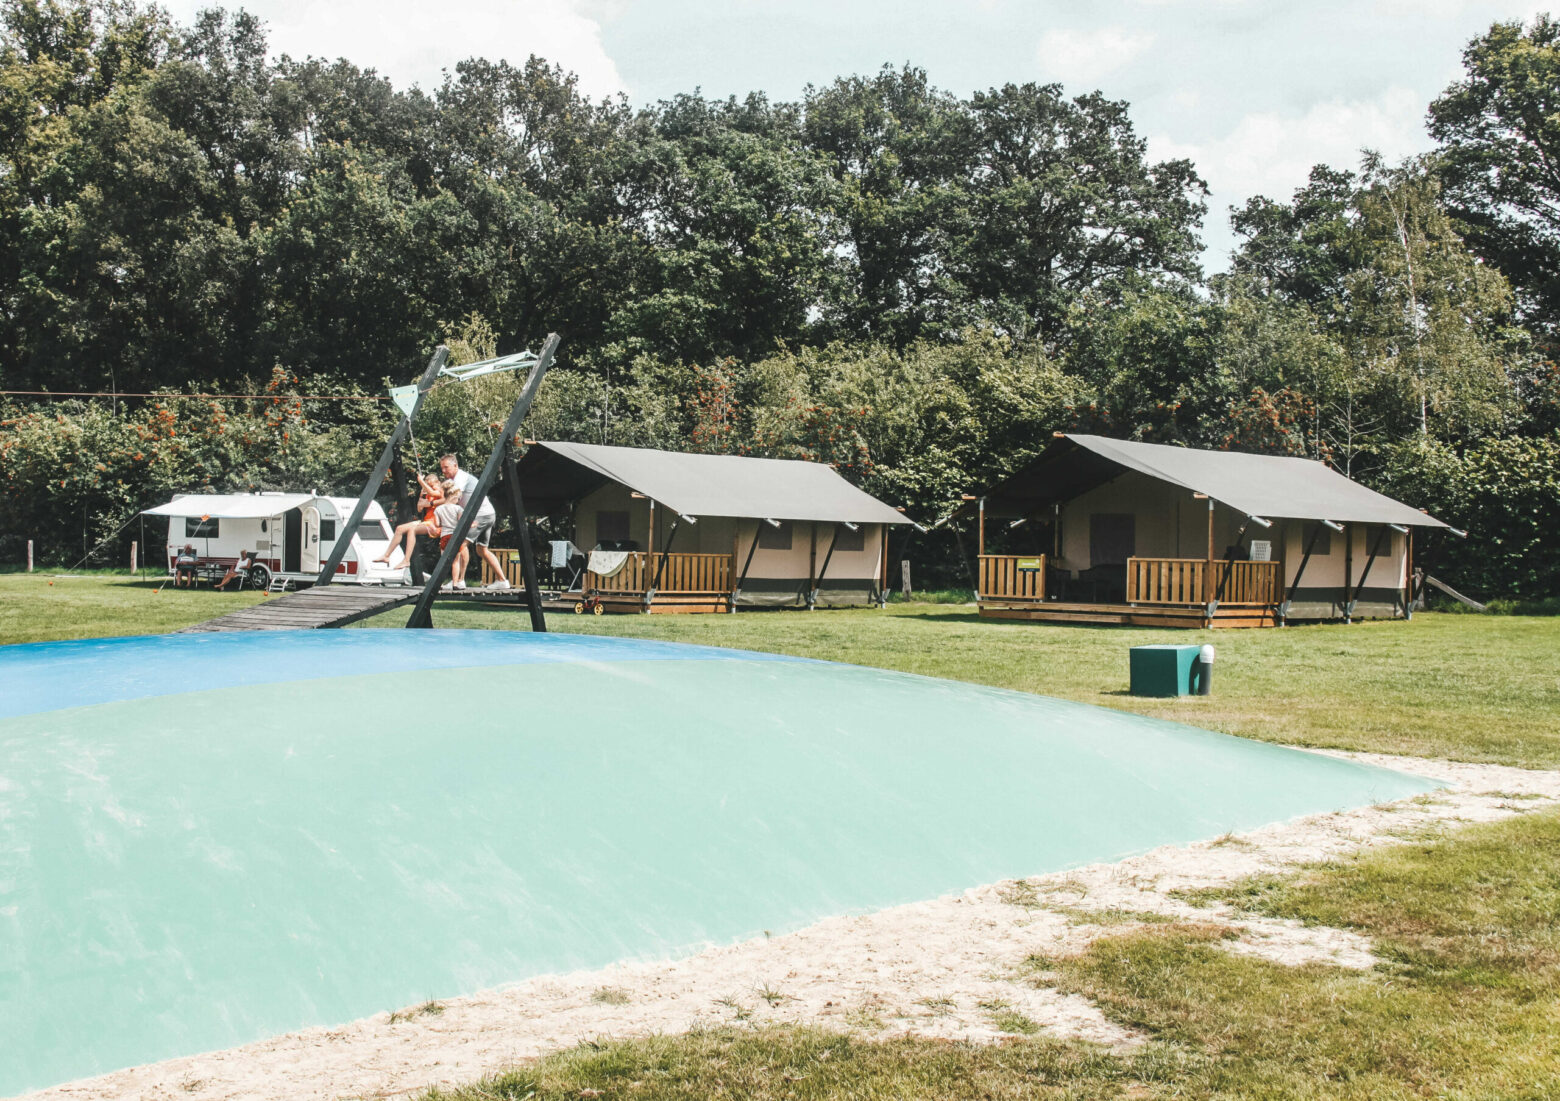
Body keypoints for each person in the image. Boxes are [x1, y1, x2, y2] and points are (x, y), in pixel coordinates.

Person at [438, 454, 511, 590]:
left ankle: (460, 581)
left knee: (459, 544)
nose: (443, 471)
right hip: (489, 514)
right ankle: (502, 580)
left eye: (446, 467)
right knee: (481, 549)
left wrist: (429, 502)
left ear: (455, 465)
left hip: (480, 515)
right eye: (442, 468)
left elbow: (452, 498)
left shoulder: (461, 478)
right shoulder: (456, 478)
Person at [376, 474, 447, 570]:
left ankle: (406, 560)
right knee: (399, 529)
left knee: (412, 530)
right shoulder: (428, 495)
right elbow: (419, 509)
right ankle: (386, 555)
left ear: (438, 483)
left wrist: (421, 482)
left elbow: (434, 493)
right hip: (426, 521)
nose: (430, 488)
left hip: (434, 523)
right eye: (428, 485)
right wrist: (422, 497)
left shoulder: (440, 491)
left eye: (432, 485)